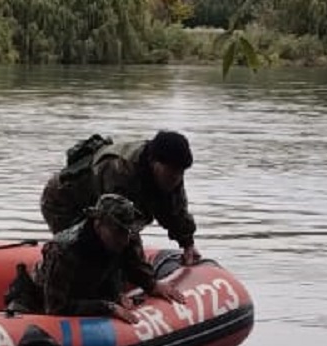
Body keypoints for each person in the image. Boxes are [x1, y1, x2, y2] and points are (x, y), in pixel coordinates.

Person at [39, 129, 204, 266]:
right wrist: (148, 282)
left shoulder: (171, 171)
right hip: (64, 201)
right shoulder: (121, 170)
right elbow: (118, 227)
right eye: (171, 172)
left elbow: (175, 210)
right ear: (155, 163)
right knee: (84, 253)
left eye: (180, 172)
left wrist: (188, 244)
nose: (176, 178)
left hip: (97, 200)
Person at [11, 193, 184, 322]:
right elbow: (56, 307)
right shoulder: (66, 249)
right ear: (98, 224)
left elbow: (135, 269)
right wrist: (107, 307)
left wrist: (153, 285)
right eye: (117, 231)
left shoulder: (126, 239)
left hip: (90, 291)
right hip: (40, 300)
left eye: (126, 232)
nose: (123, 239)